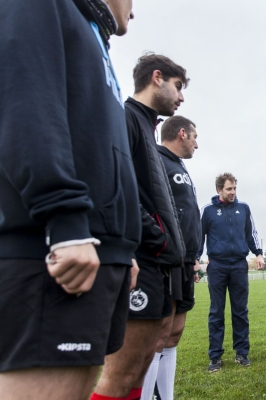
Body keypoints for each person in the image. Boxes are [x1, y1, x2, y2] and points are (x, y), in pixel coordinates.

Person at [0, 1, 139, 399]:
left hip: (97, 250)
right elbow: (26, 109)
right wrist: (65, 224)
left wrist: (119, 243)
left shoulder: (92, 31)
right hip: (52, 252)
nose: (135, 10)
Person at [93, 54, 188, 400]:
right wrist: (159, 238)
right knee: (120, 373)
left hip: (157, 263)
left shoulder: (147, 127)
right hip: (141, 258)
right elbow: (113, 188)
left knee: (141, 366)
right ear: (157, 78)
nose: (181, 98)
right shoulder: (126, 118)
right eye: (178, 87)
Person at [140, 116, 202, 400]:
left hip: (186, 261)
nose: (196, 144)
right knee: (159, 333)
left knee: (174, 333)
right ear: (182, 134)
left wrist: (195, 256)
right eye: (194, 137)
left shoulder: (181, 166)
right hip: (165, 259)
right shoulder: (155, 159)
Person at [200, 173, 265, 372]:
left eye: (235, 188)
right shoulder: (208, 211)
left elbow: (251, 232)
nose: (233, 192)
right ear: (219, 190)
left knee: (240, 311)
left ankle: (242, 352)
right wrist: (195, 258)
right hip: (217, 265)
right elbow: (198, 236)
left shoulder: (243, 208)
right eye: (229, 189)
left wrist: (259, 253)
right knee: (216, 312)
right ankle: (215, 356)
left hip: (239, 265)